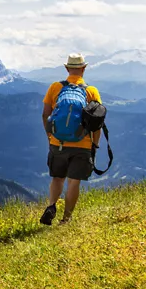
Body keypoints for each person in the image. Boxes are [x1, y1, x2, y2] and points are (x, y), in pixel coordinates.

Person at [40, 54, 102, 225]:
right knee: (73, 182)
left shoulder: (55, 87)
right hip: (82, 144)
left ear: (67, 69)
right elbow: (97, 122)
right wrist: (94, 144)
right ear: (84, 68)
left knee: (57, 178)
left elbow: (45, 114)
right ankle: (66, 219)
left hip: (57, 142)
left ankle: (51, 206)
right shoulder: (91, 91)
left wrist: (50, 136)